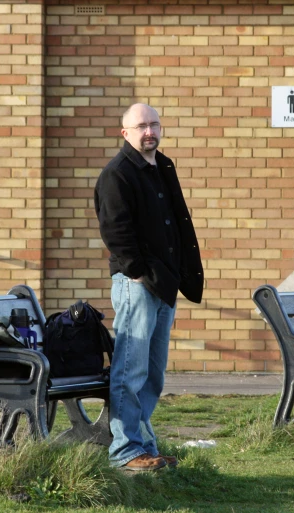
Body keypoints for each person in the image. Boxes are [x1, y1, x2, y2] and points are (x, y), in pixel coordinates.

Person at [94, 103, 204, 471]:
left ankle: (144, 447)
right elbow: (115, 231)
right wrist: (138, 272)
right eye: (140, 126)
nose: (148, 131)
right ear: (124, 132)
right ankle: (125, 452)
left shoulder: (163, 167)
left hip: (164, 283)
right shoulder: (117, 174)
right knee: (131, 369)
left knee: (153, 374)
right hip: (137, 284)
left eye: (154, 124)